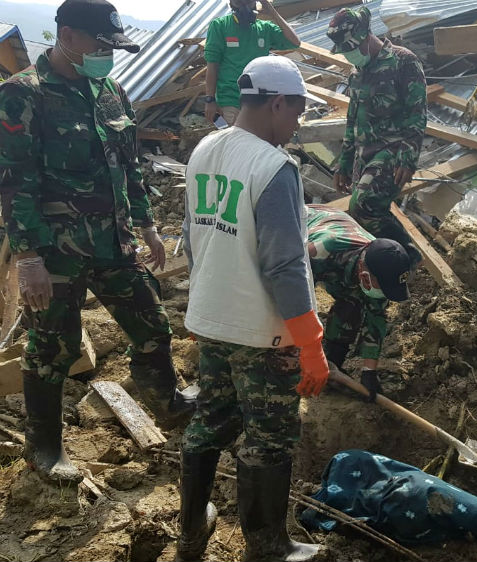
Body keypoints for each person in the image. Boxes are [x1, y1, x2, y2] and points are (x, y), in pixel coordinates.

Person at [0, 0, 197, 485]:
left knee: (152, 323)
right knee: (52, 349)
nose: (108, 53)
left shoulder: (111, 91)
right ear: (67, 35)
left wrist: (147, 225)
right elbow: (13, 182)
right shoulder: (22, 95)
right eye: (101, 44)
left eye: (113, 45)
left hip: (113, 242)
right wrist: (27, 257)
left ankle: (166, 401)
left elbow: (126, 167)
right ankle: (43, 449)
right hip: (55, 252)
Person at [177, 56, 327, 562]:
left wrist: (207, 305)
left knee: (208, 423)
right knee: (269, 437)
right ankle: (269, 547)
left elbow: (196, 236)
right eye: (297, 112)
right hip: (264, 334)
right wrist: (310, 345)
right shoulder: (273, 167)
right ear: (278, 102)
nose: (297, 124)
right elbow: (283, 266)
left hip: (212, 317)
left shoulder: (205, 148)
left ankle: (191, 530)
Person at [327, 6, 426, 268]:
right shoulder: (357, 73)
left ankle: (408, 256)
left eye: (350, 48)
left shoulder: (404, 61)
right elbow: (353, 121)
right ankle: (383, 266)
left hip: (392, 150)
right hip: (364, 153)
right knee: (362, 215)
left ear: (365, 36)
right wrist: (344, 164)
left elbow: (417, 113)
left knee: (365, 205)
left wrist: (408, 158)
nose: (348, 55)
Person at [305, 204, 411, 402]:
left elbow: (376, 317)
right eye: (383, 288)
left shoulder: (380, 263)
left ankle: (333, 360)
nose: (383, 295)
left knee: (354, 303)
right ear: (365, 275)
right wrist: (305, 350)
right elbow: (285, 282)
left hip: (343, 256)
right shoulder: (321, 251)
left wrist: (368, 371)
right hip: (302, 224)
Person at [203, 0, 301, 126]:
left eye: (248, 2)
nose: (244, 7)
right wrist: (210, 99)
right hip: (231, 99)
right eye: (239, 3)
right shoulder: (220, 26)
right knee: (238, 142)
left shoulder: (264, 29)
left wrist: (271, 11)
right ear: (232, 4)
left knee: (256, 141)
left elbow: (294, 42)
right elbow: (212, 65)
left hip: (258, 101)